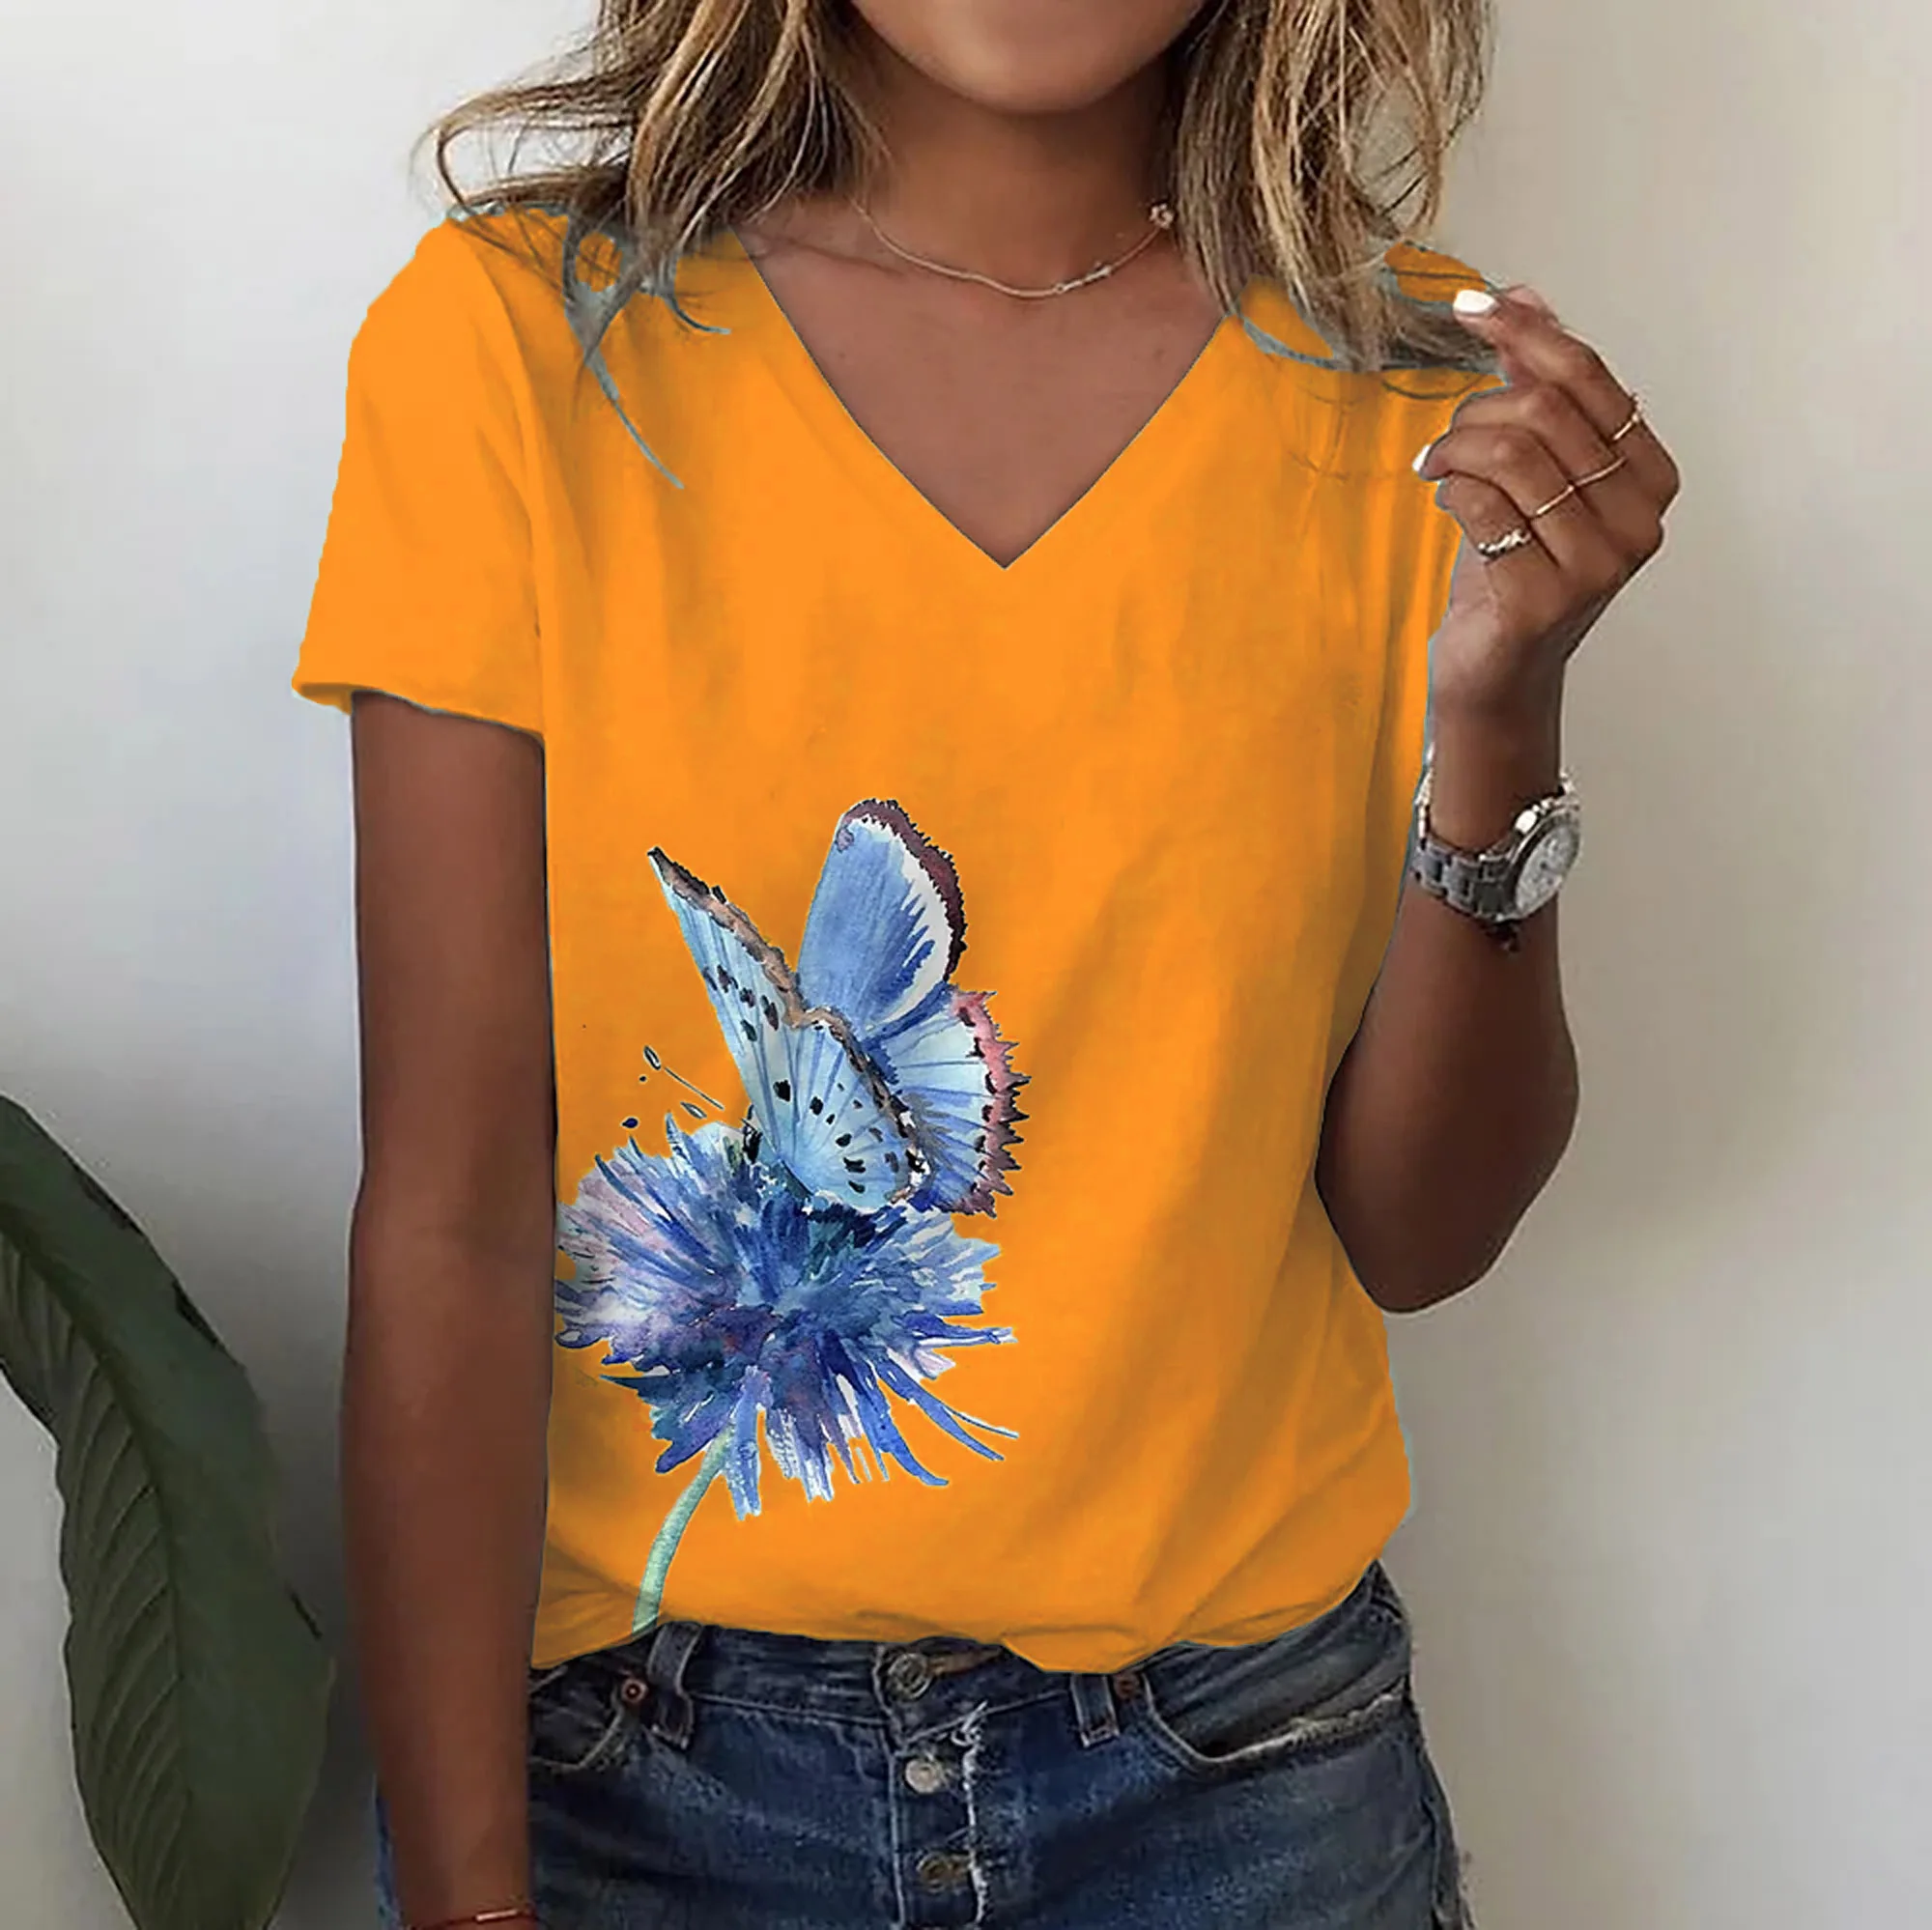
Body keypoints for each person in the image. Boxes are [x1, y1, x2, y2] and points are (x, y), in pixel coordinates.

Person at [294, 2, 1679, 1925]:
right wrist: (463, 1898)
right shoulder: (526, 345)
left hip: (1240, 1778)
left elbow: (1419, 1235)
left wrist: (1505, 711)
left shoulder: (1415, 396)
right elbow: (449, 1212)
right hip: (635, 1777)